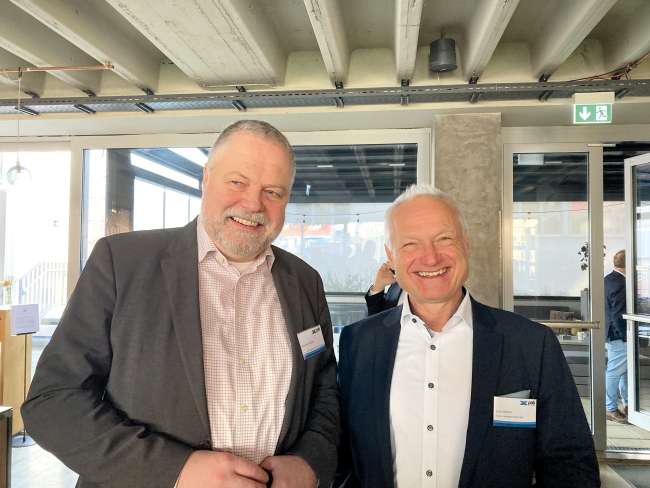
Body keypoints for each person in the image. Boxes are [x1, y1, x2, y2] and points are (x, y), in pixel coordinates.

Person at [22, 120, 339, 488]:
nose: (253, 203)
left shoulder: (305, 282)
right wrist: (175, 471)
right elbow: (53, 401)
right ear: (207, 178)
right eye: (237, 182)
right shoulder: (122, 264)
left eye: (273, 191)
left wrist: (309, 462)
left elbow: (324, 392)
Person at [337, 184, 600, 488]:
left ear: (466, 243)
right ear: (391, 257)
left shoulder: (531, 344)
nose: (430, 258)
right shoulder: (359, 342)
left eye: (444, 239)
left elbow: (570, 464)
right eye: (410, 244)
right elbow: (344, 457)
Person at [605, 249, 628, 423]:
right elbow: (618, 314)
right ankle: (610, 408)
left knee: (625, 371)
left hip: (611, 333)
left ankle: (628, 404)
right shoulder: (621, 283)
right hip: (618, 335)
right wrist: (625, 335)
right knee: (614, 371)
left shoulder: (607, 279)